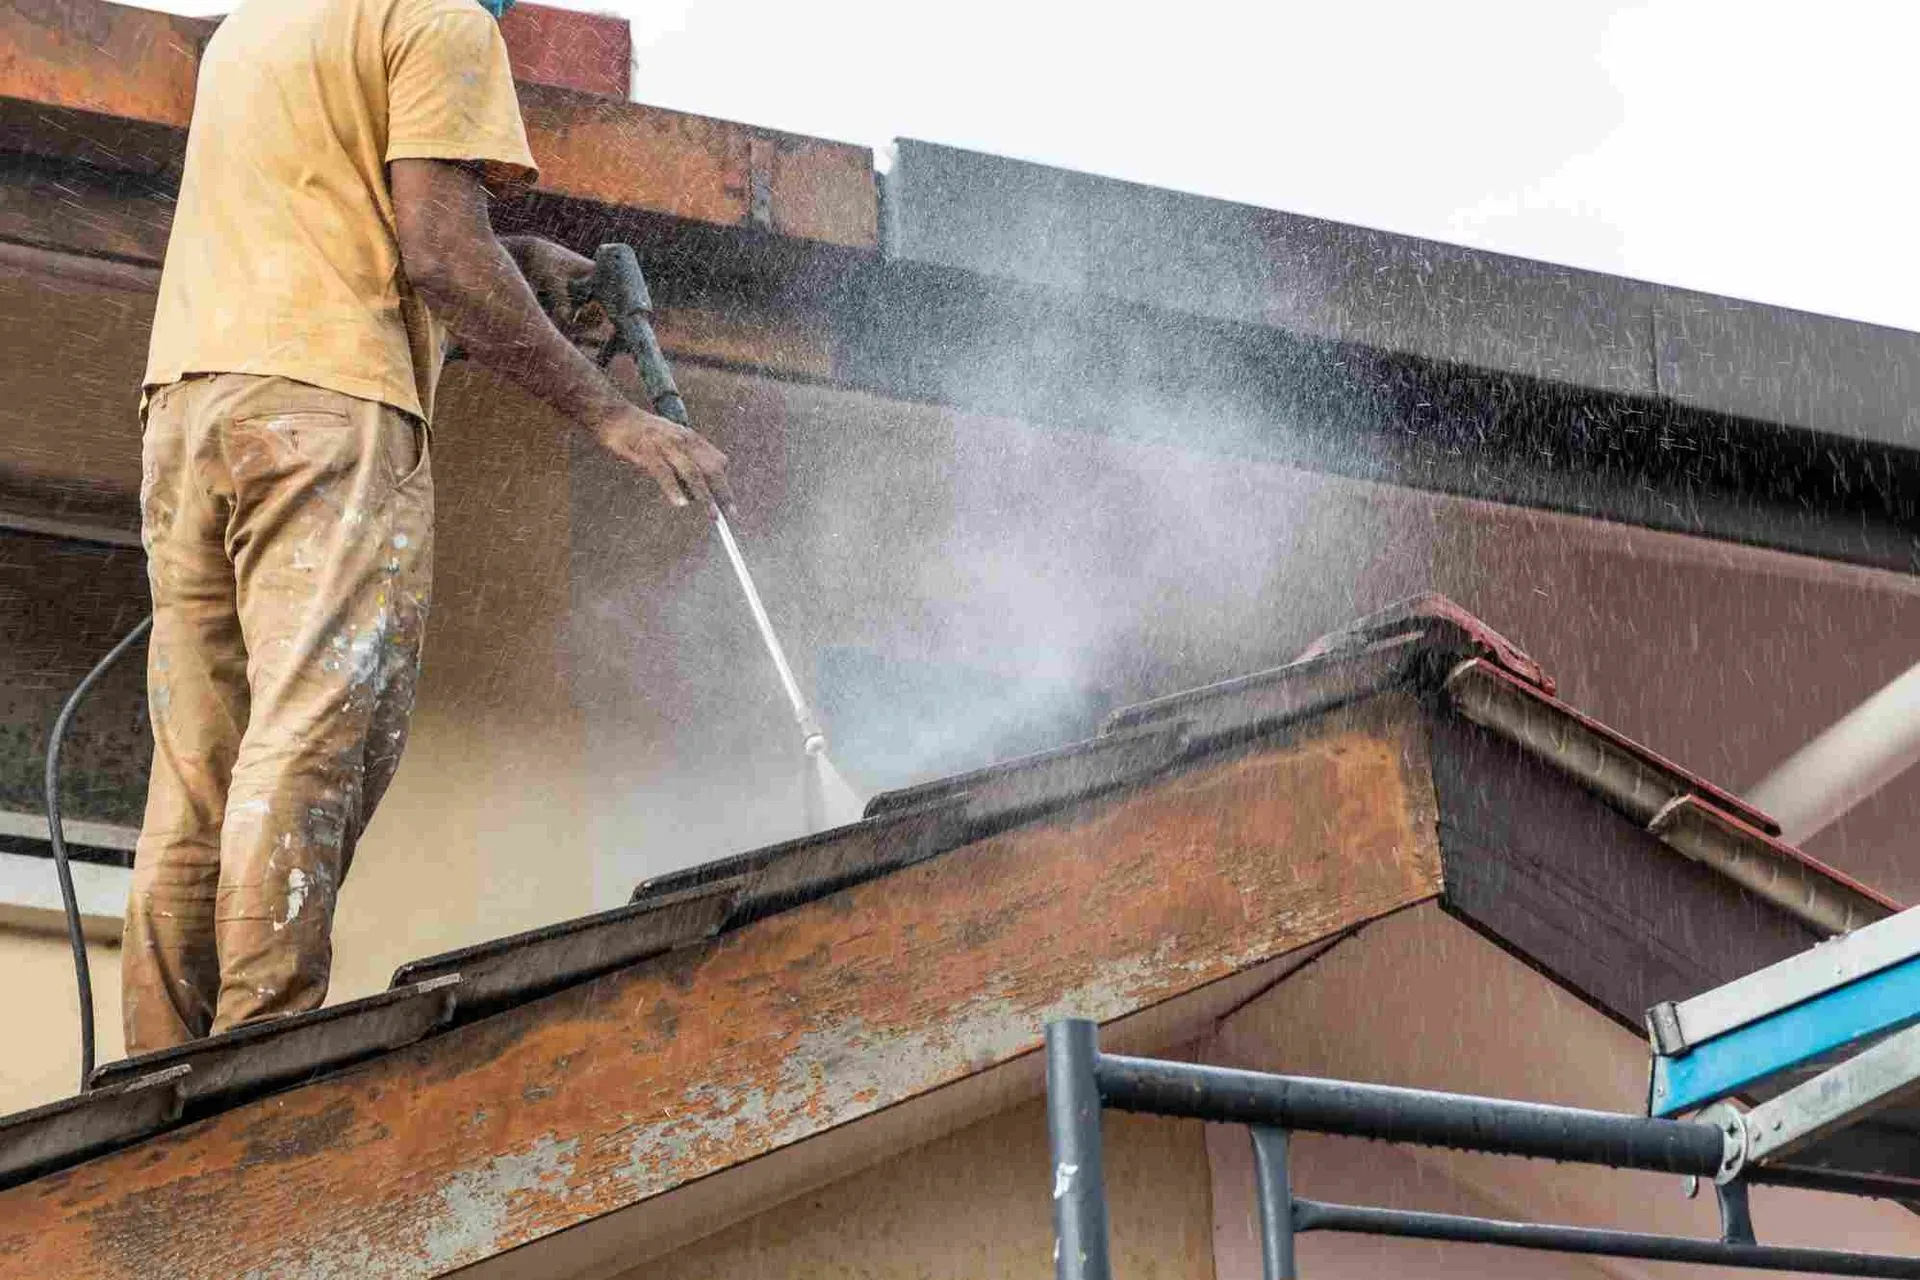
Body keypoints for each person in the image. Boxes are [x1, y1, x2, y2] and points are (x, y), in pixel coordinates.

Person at [124, 0, 730, 1053]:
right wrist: (613, 416)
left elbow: (339, 216)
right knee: (313, 732)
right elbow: (441, 254)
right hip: (328, 414)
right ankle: (253, 1056)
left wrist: (515, 259)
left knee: (197, 771)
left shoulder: (264, 23)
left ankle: (158, 1064)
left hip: (191, 408)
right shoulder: (441, 18)